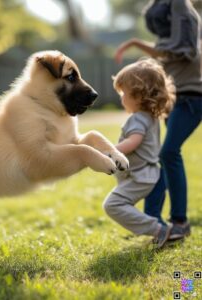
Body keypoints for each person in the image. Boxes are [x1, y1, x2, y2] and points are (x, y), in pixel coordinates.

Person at [114, 0, 202, 240]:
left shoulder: (186, 37)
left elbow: (176, 49)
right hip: (174, 102)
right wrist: (134, 43)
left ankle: (180, 221)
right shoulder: (171, 40)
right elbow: (163, 49)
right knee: (160, 158)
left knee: (169, 153)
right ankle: (154, 220)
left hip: (192, 100)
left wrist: (135, 43)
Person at [103, 59, 176, 248]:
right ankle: (161, 229)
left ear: (139, 95)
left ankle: (158, 229)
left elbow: (133, 142)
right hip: (152, 174)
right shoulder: (151, 117)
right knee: (149, 210)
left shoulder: (137, 119)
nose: (121, 97)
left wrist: (109, 151)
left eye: (123, 93)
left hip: (141, 177)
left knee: (113, 205)